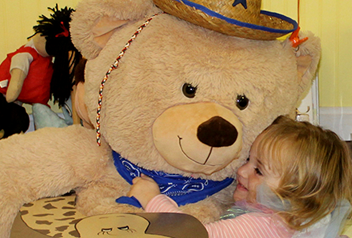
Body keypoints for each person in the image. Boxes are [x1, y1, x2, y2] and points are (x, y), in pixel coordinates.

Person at [127, 115, 352, 238]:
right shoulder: (298, 222)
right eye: (248, 160)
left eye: (258, 170)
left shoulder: (263, 225)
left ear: (296, 194)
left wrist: (152, 199)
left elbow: (193, 236)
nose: (242, 171)